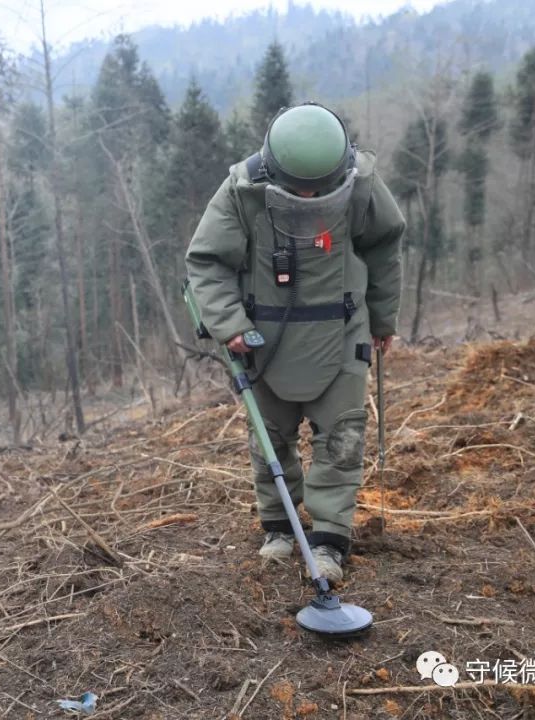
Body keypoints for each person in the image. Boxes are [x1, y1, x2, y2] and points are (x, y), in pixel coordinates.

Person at [185, 102, 404, 583]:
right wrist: (230, 324)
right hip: (264, 340)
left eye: (317, 189)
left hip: (342, 333)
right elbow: (206, 262)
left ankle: (329, 538)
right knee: (269, 440)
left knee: (342, 437)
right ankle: (280, 528)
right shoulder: (242, 192)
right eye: (298, 188)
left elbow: (384, 248)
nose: (308, 195)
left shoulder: (361, 188)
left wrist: (383, 318)